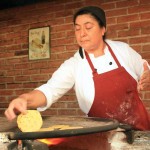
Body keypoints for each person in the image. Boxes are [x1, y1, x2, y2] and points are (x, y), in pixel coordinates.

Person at [5, 6, 150, 130]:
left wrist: (148, 74)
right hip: (102, 136)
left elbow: (144, 69)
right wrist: (24, 99)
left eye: (88, 27)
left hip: (140, 130)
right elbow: (49, 91)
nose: (82, 34)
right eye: (77, 28)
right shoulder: (74, 65)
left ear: (103, 29)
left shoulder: (122, 50)